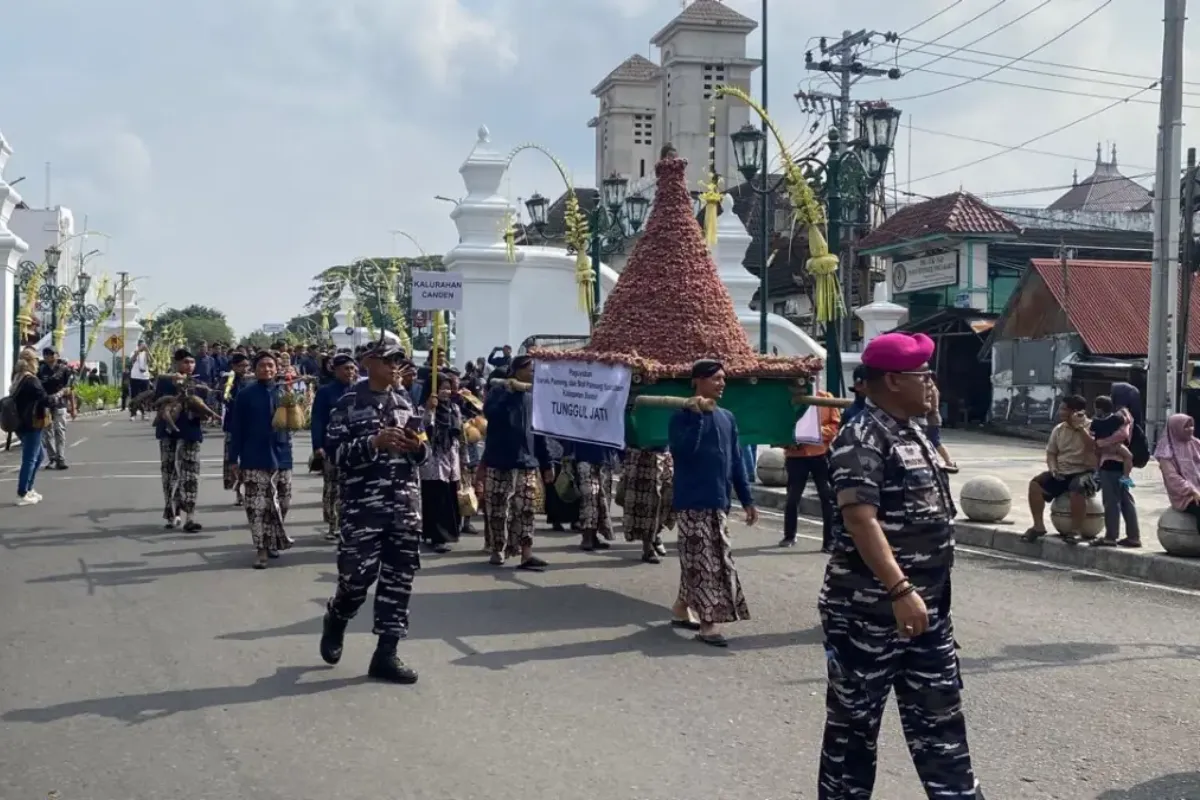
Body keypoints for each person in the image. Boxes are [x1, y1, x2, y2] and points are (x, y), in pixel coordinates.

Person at [819, 331, 982, 799]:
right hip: (869, 613)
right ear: (892, 380)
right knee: (854, 731)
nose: (932, 383)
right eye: (923, 375)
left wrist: (916, 596)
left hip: (927, 612)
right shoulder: (860, 436)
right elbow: (859, 519)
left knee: (941, 724)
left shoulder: (910, 430)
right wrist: (898, 589)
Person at [319, 341, 426, 684]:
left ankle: (386, 653)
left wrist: (418, 447)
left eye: (400, 361)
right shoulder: (348, 403)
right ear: (369, 362)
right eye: (391, 360)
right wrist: (373, 443)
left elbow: (423, 450)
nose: (398, 367)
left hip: (405, 507)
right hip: (364, 508)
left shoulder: (404, 401)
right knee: (356, 579)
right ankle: (338, 616)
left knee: (399, 581)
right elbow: (333, 456)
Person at [667, 359, 757, 647]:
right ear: (697, 381)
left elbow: (736, 462)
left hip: (719, 502)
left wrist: (747, 499)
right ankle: (709, 625)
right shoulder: (680, 417)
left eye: (723, 379)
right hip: (692, 502)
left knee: (706, 559)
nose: (722, 383)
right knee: (707, 563)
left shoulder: (727, 418)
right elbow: (683, 453)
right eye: (716, 378)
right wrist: (695, 416)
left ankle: (682, 606)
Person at [481, 355, 551, 570]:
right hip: (500, 461)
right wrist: (508, 395)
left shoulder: (533, 396)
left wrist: (547, 463)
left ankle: (526, 554)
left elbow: (539, 433)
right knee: (498, 510)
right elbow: (490, 414)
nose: (533, 373)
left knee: (526, 510)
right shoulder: (498, 392)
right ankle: (497, 549)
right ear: (517, 370)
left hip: (527, 464)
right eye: (530, 369)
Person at [228, 351, 295, 569]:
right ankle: (261, 549)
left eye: (271, 365)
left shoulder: (285, 392)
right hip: (254, 456)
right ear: (254, 370)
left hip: (282, 455)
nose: (267, 369)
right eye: (262, 366)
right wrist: (233, 459)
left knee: (282, 502)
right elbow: (236, 429)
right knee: (256, 506)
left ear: (277, 369)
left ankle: (273, 539)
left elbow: (296, 422)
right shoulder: (246, 395)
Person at [1022, 395, 1098, 545]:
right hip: (1062, 471)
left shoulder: (1091, 427)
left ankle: (1075, 530)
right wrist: (1053, 469)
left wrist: (1080, 428)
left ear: (1075, 412)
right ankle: (1038, 526)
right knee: (1036, 484)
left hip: (1085, 471)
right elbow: (1051, 453)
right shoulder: (1059, 429)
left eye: (1063, 409)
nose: (1060, 412)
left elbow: (1093, 447)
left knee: (1077, 487)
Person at [152, 349, 209, 532]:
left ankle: (190, 517)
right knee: (169, 474)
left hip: (191, 432)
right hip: (168, 433)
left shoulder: (199, 383)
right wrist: (176, 387)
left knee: (190, 475)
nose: (189, 366)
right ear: (176, 363)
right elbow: (157, 402)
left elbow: (205, 405)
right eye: (185, 362)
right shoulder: (164, 381)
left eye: (192, 362)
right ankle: (172, 513)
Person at [780, 389, 840, 550]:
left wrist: (817, 432)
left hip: (820, 454)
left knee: (826, 497)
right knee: (792, 498)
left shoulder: (826, 398)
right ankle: (789, 535)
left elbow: (835, 426)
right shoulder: (789, 397)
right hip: (796, 455)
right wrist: (787, 440)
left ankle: (829, 540)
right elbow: (778, 426)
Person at [311, 353, 357, 541]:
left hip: (354, 446)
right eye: (346, 368)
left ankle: (351, 523)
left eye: (353, 368)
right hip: (331, 446)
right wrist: (318, 445)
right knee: (332, 488)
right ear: (336, 370)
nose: (350, 372)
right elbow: (317, 421)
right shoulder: (325, 392)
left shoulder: (360, 389)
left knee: (352, 487)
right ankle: (333, 524)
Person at [1091, 382, 1143, 548]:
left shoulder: (1122, 413)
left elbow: (1122, 434)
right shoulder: (1125, 413)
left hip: (1111, 461)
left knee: (1111, 501)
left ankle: (1110, 537)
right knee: (1125, 499)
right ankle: (1133, 537)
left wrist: (1102, 443)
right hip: (1120, 461)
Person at [420, 371, 463, 554]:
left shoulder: (454, 408)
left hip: (451, 457)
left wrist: (465, 459)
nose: (445, 392)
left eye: (447, 388)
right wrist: (430, 410)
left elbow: (460, 434)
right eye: (441, 389)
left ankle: (449, 533)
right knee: (435, 498)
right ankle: (435, 536)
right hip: (433, 460)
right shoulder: (423, 408)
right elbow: (422, 431)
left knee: (449, 497)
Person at [10, 348, 48, 506]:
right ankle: (22, 493)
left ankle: (29, 488)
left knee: (38, 456)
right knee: (30, 459)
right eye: (36, 361)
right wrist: (59, 397)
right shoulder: (31, 380)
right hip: (31, 423)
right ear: (32, 362)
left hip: (20, 423)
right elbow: (44, 398)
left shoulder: (18, 377)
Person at [569, 440, 620, 551]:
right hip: (585, 458)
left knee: (602, 501)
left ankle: (593, 536)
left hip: (605, 459)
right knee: (589, 498)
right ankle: (587, 536)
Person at [1157, 414, 1200, 530]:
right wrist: (1193, 491)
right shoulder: (1166, 452)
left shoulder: (1196, 444)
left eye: (1192, 426)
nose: (1190, 429)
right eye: (1186, 427)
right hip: (1184, 496)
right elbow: (1172, 479)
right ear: (1176, 428)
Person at [221, 353, 252, 505]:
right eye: (241, 366)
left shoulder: (251, 381)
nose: (244, 369)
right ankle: (238, 493)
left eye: (246, 366)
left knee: (249, 460)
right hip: (232, 425)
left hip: (250, 425)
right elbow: (225, 398)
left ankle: (249, 491)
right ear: (233, 366)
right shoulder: (229, 381)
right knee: (233, 461)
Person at [37, 347, 73, 470]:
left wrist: (61, 396)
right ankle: (52, 458)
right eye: (45, 354)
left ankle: (61, 458)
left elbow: (70, 387)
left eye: (51, 354)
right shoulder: (41, 370)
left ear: (57, 355)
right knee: (48, 432)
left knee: (59, 430)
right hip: (46, 403)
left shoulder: (64, 370)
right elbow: (38, 386)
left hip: (60, 402)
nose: (48, 357)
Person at [129, 341, 152, 419]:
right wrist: (138, 351)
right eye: (142, 345)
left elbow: (150, 361)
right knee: (135, 396)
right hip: (135, 376)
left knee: (145, 396)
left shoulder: (146, 353)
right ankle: (133, 413)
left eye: (144, 345)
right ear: (138, 346)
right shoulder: (134, 351)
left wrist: (147, 351)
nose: (143, 347)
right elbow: (132, 360)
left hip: (145, 377)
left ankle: (144, 413)